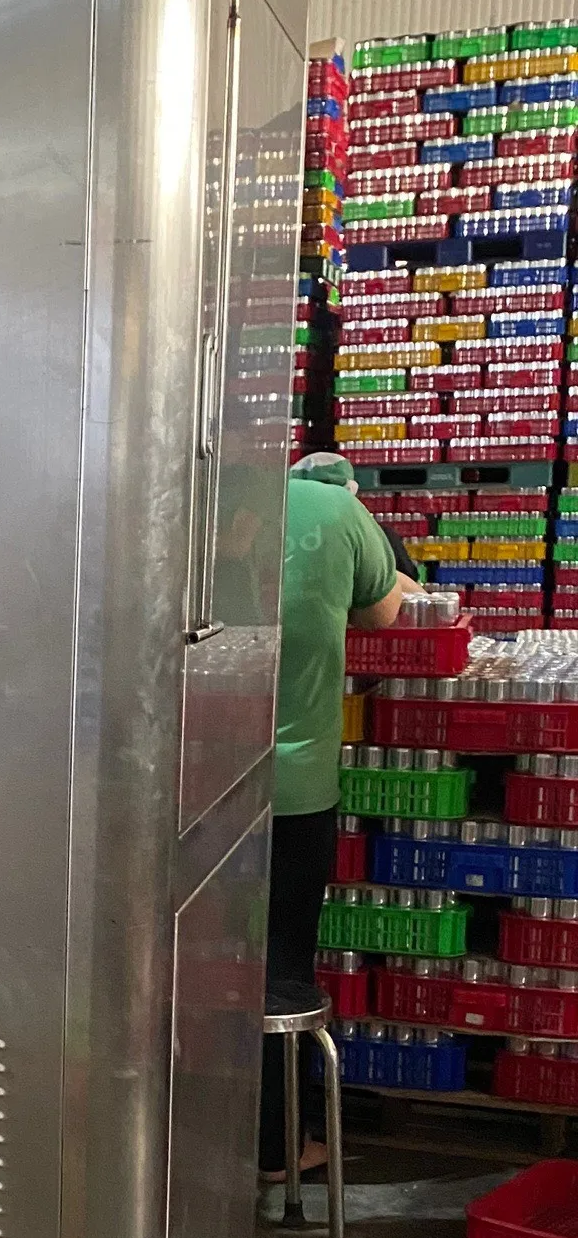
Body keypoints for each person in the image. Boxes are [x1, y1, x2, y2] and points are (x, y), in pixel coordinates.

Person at [263, 453, 413, 1181]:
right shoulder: (343, 512)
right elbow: (385, 611)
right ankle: (276, 1147)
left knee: (199, 960)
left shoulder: (214, 509)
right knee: (280, 963)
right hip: (295, 785)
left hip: (196, 778)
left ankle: (190, 1133)